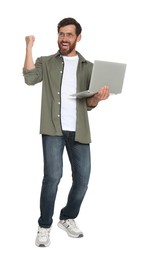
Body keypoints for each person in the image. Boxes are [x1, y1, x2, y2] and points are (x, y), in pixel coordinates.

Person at [23, 17, 109, 247]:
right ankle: (44, 225)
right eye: (61, 33)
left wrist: (98, 98)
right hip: (53, 129)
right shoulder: (47, 62)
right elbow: (30, 78)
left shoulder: (89, 67)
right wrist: (29, 46)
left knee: (82, 180)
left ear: (78, 38)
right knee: (52, 178)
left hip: (79, 130)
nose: (64, 38)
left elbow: (89, 103)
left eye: (69, 34)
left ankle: (67, 217)